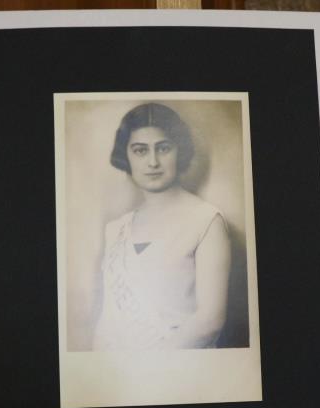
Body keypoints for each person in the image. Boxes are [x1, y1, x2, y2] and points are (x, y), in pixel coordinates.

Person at [93, 102, 231, 350]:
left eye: (163, 148)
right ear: (126, 156)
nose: (153, 162)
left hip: (180, 365)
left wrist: (150, 364)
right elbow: (108, 319)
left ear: (179, 151)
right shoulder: (115, 229)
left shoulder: (206, 221)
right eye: (140, 151)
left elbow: (210, 320)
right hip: (116, 369)